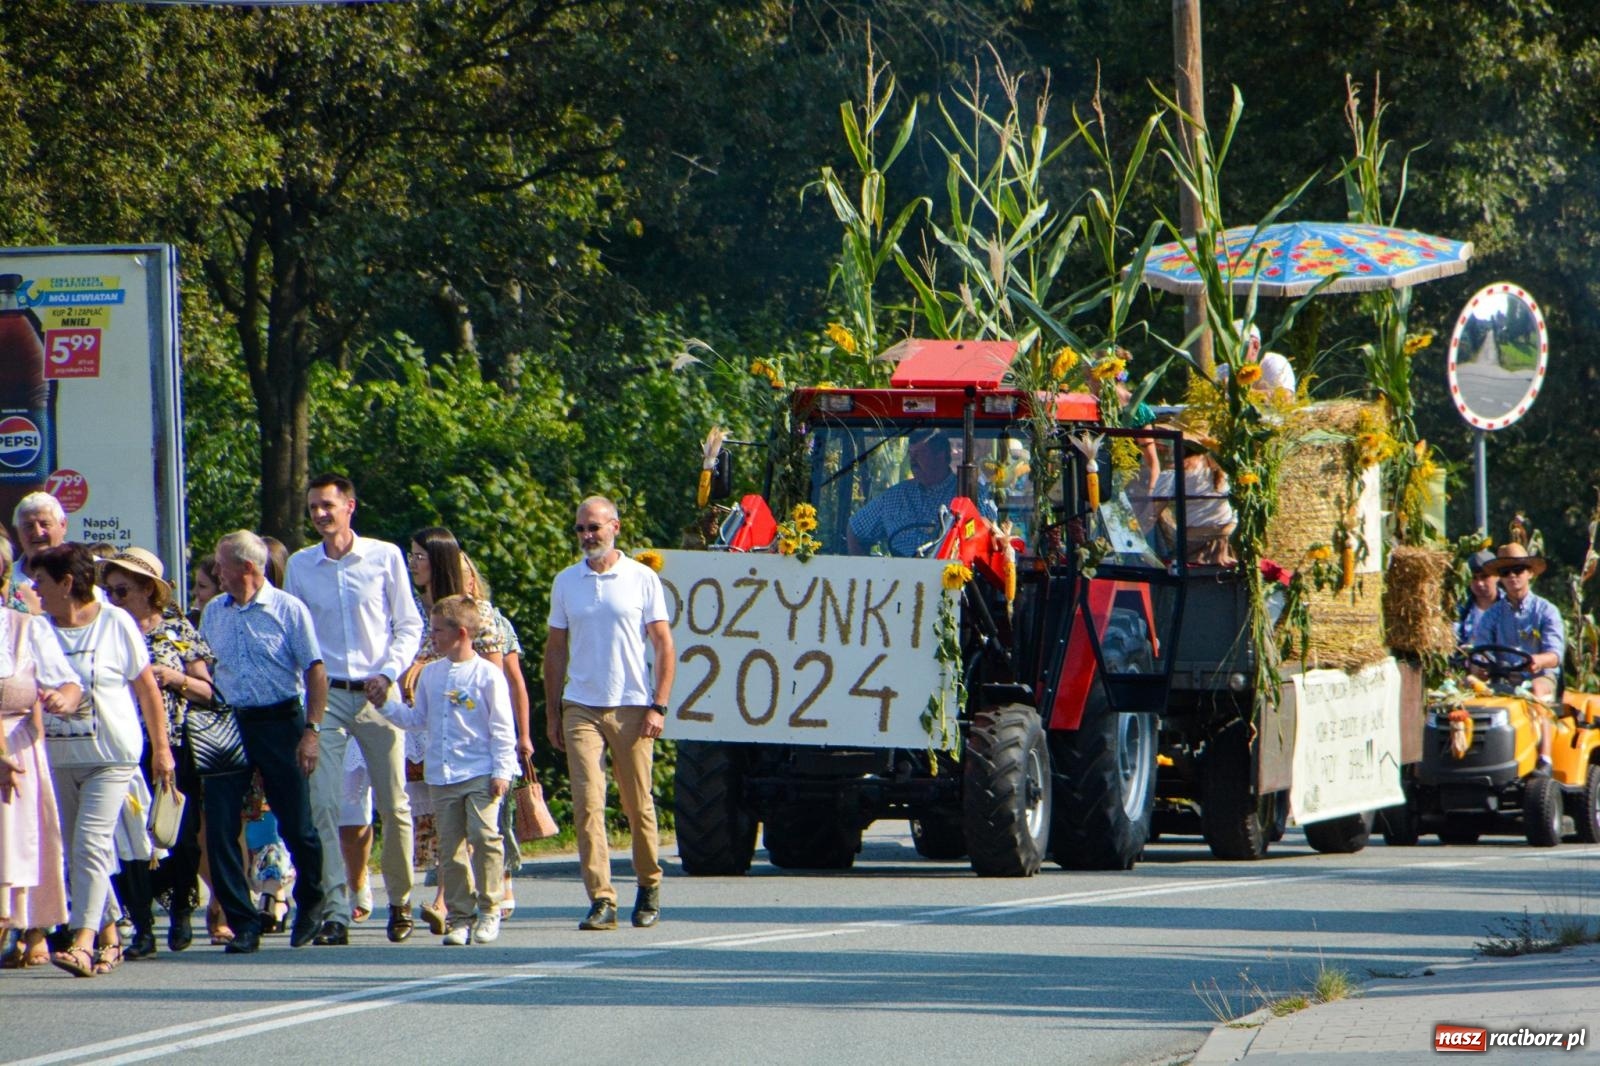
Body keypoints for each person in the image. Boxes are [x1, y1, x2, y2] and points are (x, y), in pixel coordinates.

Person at [284, 474, 422, 946]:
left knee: (393, 803)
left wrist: (388, 672)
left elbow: (408, 624)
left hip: (378, 691)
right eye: (313, 508)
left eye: (327, 505)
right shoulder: (301, 565)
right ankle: (336, 909)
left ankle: (400, 901)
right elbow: (298, 637)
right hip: (327, 695)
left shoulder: (384, 556)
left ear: (350, 506)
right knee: (324, 804)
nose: (320, 515)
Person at [31, 543, 174, 978]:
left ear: (67, 584)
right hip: (58, 758)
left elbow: (147, 688)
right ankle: (111, 937)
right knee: (76, 853)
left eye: (42, 582)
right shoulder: (37, 629)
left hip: (111, 757)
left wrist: (162, 749)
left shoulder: (115, 623)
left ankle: (82, 942)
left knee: (91, 845)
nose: (34, 589)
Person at [544, 495, 673, 930]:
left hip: (633, 703)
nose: (586, 536)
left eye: (594, 528)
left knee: (638, 803)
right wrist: (552, 710)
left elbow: (663, 644)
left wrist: (659, 704)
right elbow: (556, 650)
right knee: (587, 803)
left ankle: (649, 883)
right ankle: (602, 898)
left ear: (615, 527)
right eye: (580, 529)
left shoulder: (641, 578)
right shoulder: (567, 581)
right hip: (581, 704)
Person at [198, 530, 327, 954]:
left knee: (296, 823)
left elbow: (314, 669)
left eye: (222, 564)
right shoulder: (214, 611)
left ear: (247, 568)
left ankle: (310, 899)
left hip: (279, 718)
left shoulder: (288, 609)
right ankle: (243, 920)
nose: (216, 572)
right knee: (219, 825)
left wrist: (312, 730)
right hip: (228, 722)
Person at [99, 547, 218, 959]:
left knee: (178, 834)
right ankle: (142, 927)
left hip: (173, 742)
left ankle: (182, 909)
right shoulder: (107, 627)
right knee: (131, 838)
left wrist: (175, 678)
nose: (112, 598)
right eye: (108, 590)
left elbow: (208, 690)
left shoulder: (177, 628)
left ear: (148, 590)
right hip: (122, 743)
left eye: (121, 589)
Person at [377, 595, 515, 945]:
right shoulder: (431, 674)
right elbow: (417, 719)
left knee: (484, 838)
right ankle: (460, 916)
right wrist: (386, 706)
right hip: (442, 775)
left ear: (462, 633)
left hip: (481, 771)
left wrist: (502, 770)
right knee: (450, 850)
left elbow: (501, 727)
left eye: (438, 630)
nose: (433, 636)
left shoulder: (486, 675)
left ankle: (489, 908)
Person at [0, 539, 82, 970]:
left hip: (17, 743)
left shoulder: (24, 626)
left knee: (24, 836)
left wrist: (64, 699)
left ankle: (31, 928)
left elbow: (68, 682)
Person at [1471, 542, 1565, 775]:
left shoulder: (1546, 610)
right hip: (1502, 676)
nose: (1512, 577)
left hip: (1539, 674)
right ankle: (1476, 756)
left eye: (1518, 570)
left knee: (1537, 689)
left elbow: (1555, 655)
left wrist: (1538, 661)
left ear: (1530, 573)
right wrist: (1479, 666)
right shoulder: (1492, 614)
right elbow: (1482, 648)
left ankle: (1545, 758)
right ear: (1500, 578)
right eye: (1505, 572)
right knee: (1467, 690)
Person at [847, 430, 963, 557]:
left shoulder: (967, 495)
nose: (912, 460)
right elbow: (856, 530)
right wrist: (864, 570)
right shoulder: (894, 496)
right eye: (910, 454)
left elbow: (985, 530)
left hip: (951, 573)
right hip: (897, 575)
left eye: (920, 454)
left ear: (940, 455)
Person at [1152, 432, 1237, 566]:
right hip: (1226, 542)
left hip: (1196, 548)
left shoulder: (1174, 474)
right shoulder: (1221, 470)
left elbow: (1152, 513)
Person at [1216, 322, 1296, 401]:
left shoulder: (1275, 363)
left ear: (1255, 346)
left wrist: (1237, 391)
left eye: (1235, 347)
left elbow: (1285, 399)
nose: (1230, 352)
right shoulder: (1223, 370)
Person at [1456, 548, 1502, 646]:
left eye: (1484, 577)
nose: (1479, 583)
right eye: (1474, 578)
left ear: (1498, 576)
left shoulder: (1510, 606)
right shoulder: (1460, 609)